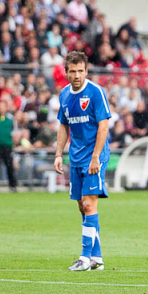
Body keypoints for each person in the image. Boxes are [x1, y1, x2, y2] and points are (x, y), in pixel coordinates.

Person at [53, 51, 111, 272]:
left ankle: (85, 257)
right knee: (81, 206)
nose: (77, 75)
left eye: (80, 71)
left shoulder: (96, 92)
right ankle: (97, 257)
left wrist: (96, 156)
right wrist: (59, 154)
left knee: (89, 203)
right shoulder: (64, 94)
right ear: (66, 72)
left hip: (94, 157)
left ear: (86, 71)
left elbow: (104, 125)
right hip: (75, 158)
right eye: (72, 71)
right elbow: (63, 125)